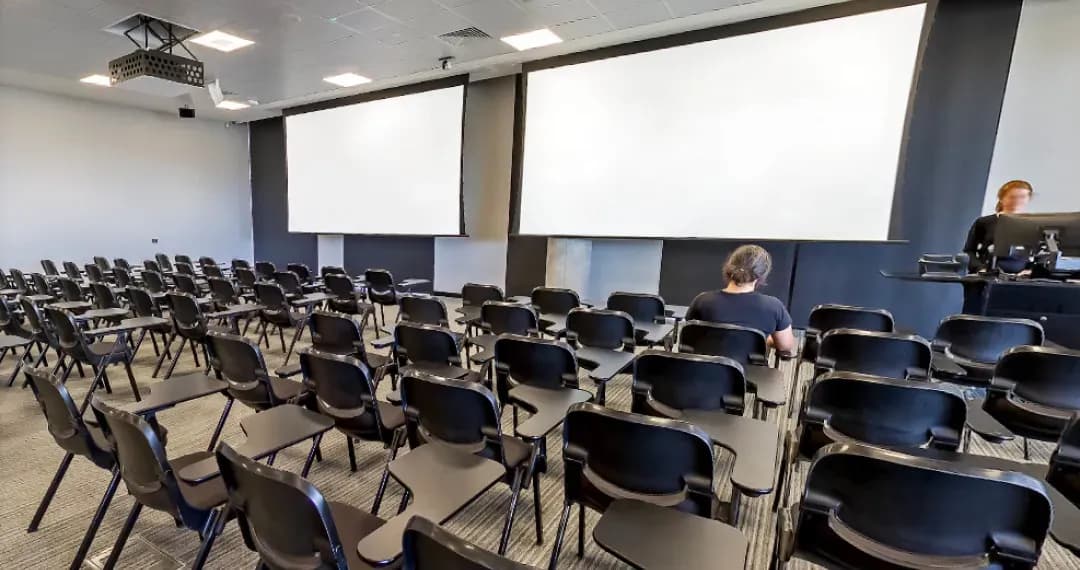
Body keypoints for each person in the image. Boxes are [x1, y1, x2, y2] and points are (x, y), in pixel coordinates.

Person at [685, 245, 797, 356]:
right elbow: (785, 346)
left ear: (729, 267)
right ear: (761, 275)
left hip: (703, 366)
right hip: (748, 368)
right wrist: (762, 339)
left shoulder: (702, 301)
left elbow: (689, 336)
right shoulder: (774, 307)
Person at [964, 180, 1034, 273]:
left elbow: (1037, 254)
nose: (1017, 201)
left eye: (1022, 197)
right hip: (986, 275)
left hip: (1020, 278)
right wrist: (980, 269)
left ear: (1028, 199)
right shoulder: (984, 222)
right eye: (1012, 197)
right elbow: (969, 251)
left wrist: (1029, 271)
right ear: (1001, 198)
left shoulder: (1032, 225)